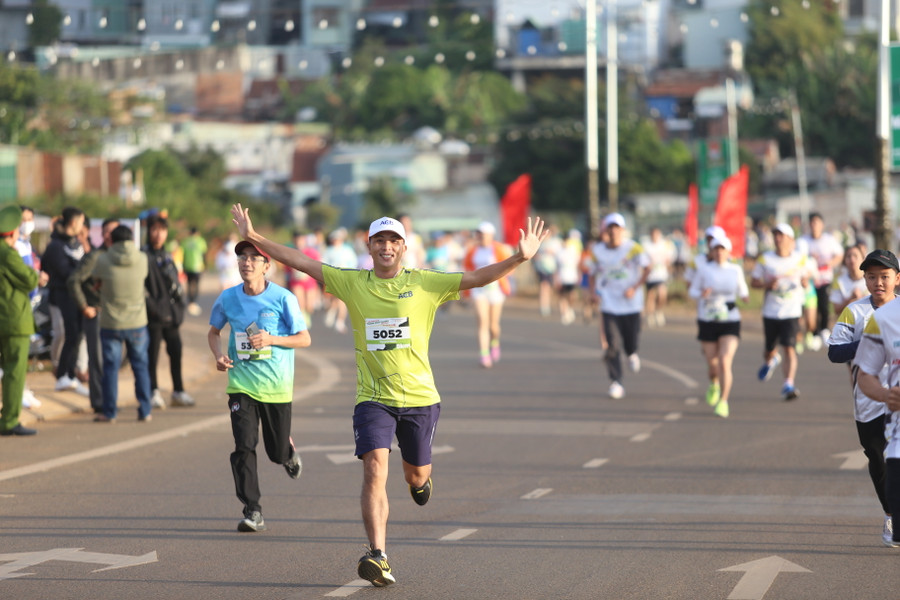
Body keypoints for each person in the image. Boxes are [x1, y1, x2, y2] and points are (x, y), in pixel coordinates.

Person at [229, 203, 547, 587]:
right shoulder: (352, 283)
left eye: (393, 240)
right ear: (369, 247)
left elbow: (477, 278)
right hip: (373, 398)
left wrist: (518, 257)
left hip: (419, 398)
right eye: (379, 240)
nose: (386, 246)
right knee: (374, 469)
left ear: (404, 248)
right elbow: (299, 261)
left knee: (415, 475)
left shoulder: (427, 282)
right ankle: (377, 554)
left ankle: (419, 482)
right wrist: (254, 237)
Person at [207, 240, 310, 533]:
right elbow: (213, 333)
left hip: (277, 386)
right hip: (241, 384)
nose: (247, 262)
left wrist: (272, 339)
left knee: (275, 453)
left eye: (255, 258)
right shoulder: (227, 298)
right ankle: (252, 510)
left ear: (268, 266)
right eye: (242, 257)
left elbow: (304, 338)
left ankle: (287, 453)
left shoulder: (283, 298)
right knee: (243, 446)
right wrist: (218, 355)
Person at [828, 249, 899, 546]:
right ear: (865, 279)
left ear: (897, 278)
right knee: (876, 457)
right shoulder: (854, 312)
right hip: (868, 400)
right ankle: (890, 512)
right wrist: (868, 342)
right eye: (871, 277)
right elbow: (834, 352)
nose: (878, 282)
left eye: (884, 276)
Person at [91, 225, 153, 423]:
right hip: (137, 322)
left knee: (110, 368)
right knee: (141, 366)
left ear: (112, 240)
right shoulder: (142, 259)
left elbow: (96, 282)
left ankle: (110, 412)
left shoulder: (102, 259)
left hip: (111, 323)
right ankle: (145, 410)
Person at [588, 213, 650, 400]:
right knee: (612, 345)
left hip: (631, 304)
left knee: (631, 341)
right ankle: (616, 382)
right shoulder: (597, 251)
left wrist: (635, 287)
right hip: (609, 304)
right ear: (606, 230)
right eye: (610, 227)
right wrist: (592, 293)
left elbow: (648, 268)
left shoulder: (633, 248)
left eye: (617, 227)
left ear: (622, 230)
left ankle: (632, 353)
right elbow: (590, 273)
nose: (613, 231)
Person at [688, 235, 749, 418]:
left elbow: (743, 290)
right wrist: (702, 293)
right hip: (708, 319)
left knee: (724, 360)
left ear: (728, 251)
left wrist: (745, 297)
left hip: (730, 320)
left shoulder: (735, 270)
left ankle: (723, 401)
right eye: (716, 249)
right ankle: (714, 384)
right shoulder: (704, 270)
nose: (719, 252)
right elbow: (692, 291)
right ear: (711, 251)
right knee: (713, 364)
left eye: (723, 249)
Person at [750, 223, 812, 401]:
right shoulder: (765, 259)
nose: (778, 239)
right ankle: (771, 360)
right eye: (776, 235)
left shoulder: (800, 259)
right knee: (769, 349)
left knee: (789, 348)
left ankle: (788, 384)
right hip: (771, 311)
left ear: (791, 240)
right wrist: (766, 285)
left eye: (782, 236)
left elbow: (806, 278)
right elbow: (754, 282)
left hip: (791, 310)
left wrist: (806, 282)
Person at [68, 217, 120, 414]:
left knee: (112, 360)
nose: (109, 235)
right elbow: (73, 281)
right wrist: (84, 306)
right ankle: (99, 402)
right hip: (96, 314)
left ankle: (110, 401)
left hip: (116, 316)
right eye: (105, 231)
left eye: (113, 231)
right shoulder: (95, 257)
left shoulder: (120, 257)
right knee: (97, 361)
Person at [144, 216, 193, 409]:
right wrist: (153, 309)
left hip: (171, 315)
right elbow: (143, 288)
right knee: (152, 355)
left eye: (162, 230)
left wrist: (179, 309)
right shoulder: (144, 256)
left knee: (176, 352)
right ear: (148, 232)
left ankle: (178, 391)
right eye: (154, 229)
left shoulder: (167, 256)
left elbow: (176, 285)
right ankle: (152, 392)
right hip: (153, 316)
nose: (158, 234)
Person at [0, 205, 40, 436]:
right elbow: (28, 279)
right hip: (14, 320)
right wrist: (35, 275)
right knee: (15, 372)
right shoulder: (8, 254)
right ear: (13, 232)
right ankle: (9, 421)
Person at [42, 206, 89, 395]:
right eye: (81, 222)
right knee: (69, 335)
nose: (83, 226)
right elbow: (66, 272)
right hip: (63, 296)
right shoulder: (55, 246)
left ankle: (69, 375)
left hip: (76, 296)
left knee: (76, 336)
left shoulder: (74, 243)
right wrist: (84, 274)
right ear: (73, 222)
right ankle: (63, 375)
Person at [464, 222, 513, 367]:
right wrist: (465, 288)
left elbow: (509, 267)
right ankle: (484, 354)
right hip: (479, 290)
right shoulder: (472, 251)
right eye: (479, 233)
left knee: (493, 325)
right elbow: (467, 268)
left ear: (491, 235)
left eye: (483, 234)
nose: (480, 236)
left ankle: (495, 342)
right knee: (482, 321)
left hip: (495, 289)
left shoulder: (499, 249)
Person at [801, 212, 843, 345]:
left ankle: (824, 329)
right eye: (812, 223)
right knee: (812, 307)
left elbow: (839, 254)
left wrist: (830, 263)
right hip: (810, 281)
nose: (814, 226)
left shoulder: (829, 240)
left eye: (817, 223)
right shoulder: (804, 241)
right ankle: (813, 333)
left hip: (825, 278)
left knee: (824, 305)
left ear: (822, 225)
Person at [643, 226, 674, 328]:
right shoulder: (646, 245)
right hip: (650, 275)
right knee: (651, 295)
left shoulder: (665, 244)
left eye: (657, 234)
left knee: (662, 294)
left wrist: (668, 262)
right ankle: (650, 315)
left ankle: (658, 311)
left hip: (661, 274)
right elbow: (643, 261)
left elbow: (670, 258)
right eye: (653, 234)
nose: (655, 236)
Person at [829, 244, 867, 316]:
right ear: (844, 261)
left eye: (855, 256)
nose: (852, 260)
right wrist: (851, 299)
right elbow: (836, 310)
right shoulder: (839, 281)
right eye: (849, 256)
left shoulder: (871, 279)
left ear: (863, 259)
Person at [182, 226, 207, 316]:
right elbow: (204, 254)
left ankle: (190, 300)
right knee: (196, 284)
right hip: (198, 266)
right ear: (197, 233)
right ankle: (194, 301)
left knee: (189, 284)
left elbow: (183, 254)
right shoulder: (201, 241)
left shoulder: (185, 241)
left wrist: (183, 265)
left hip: (188, 266)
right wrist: (205, 265)